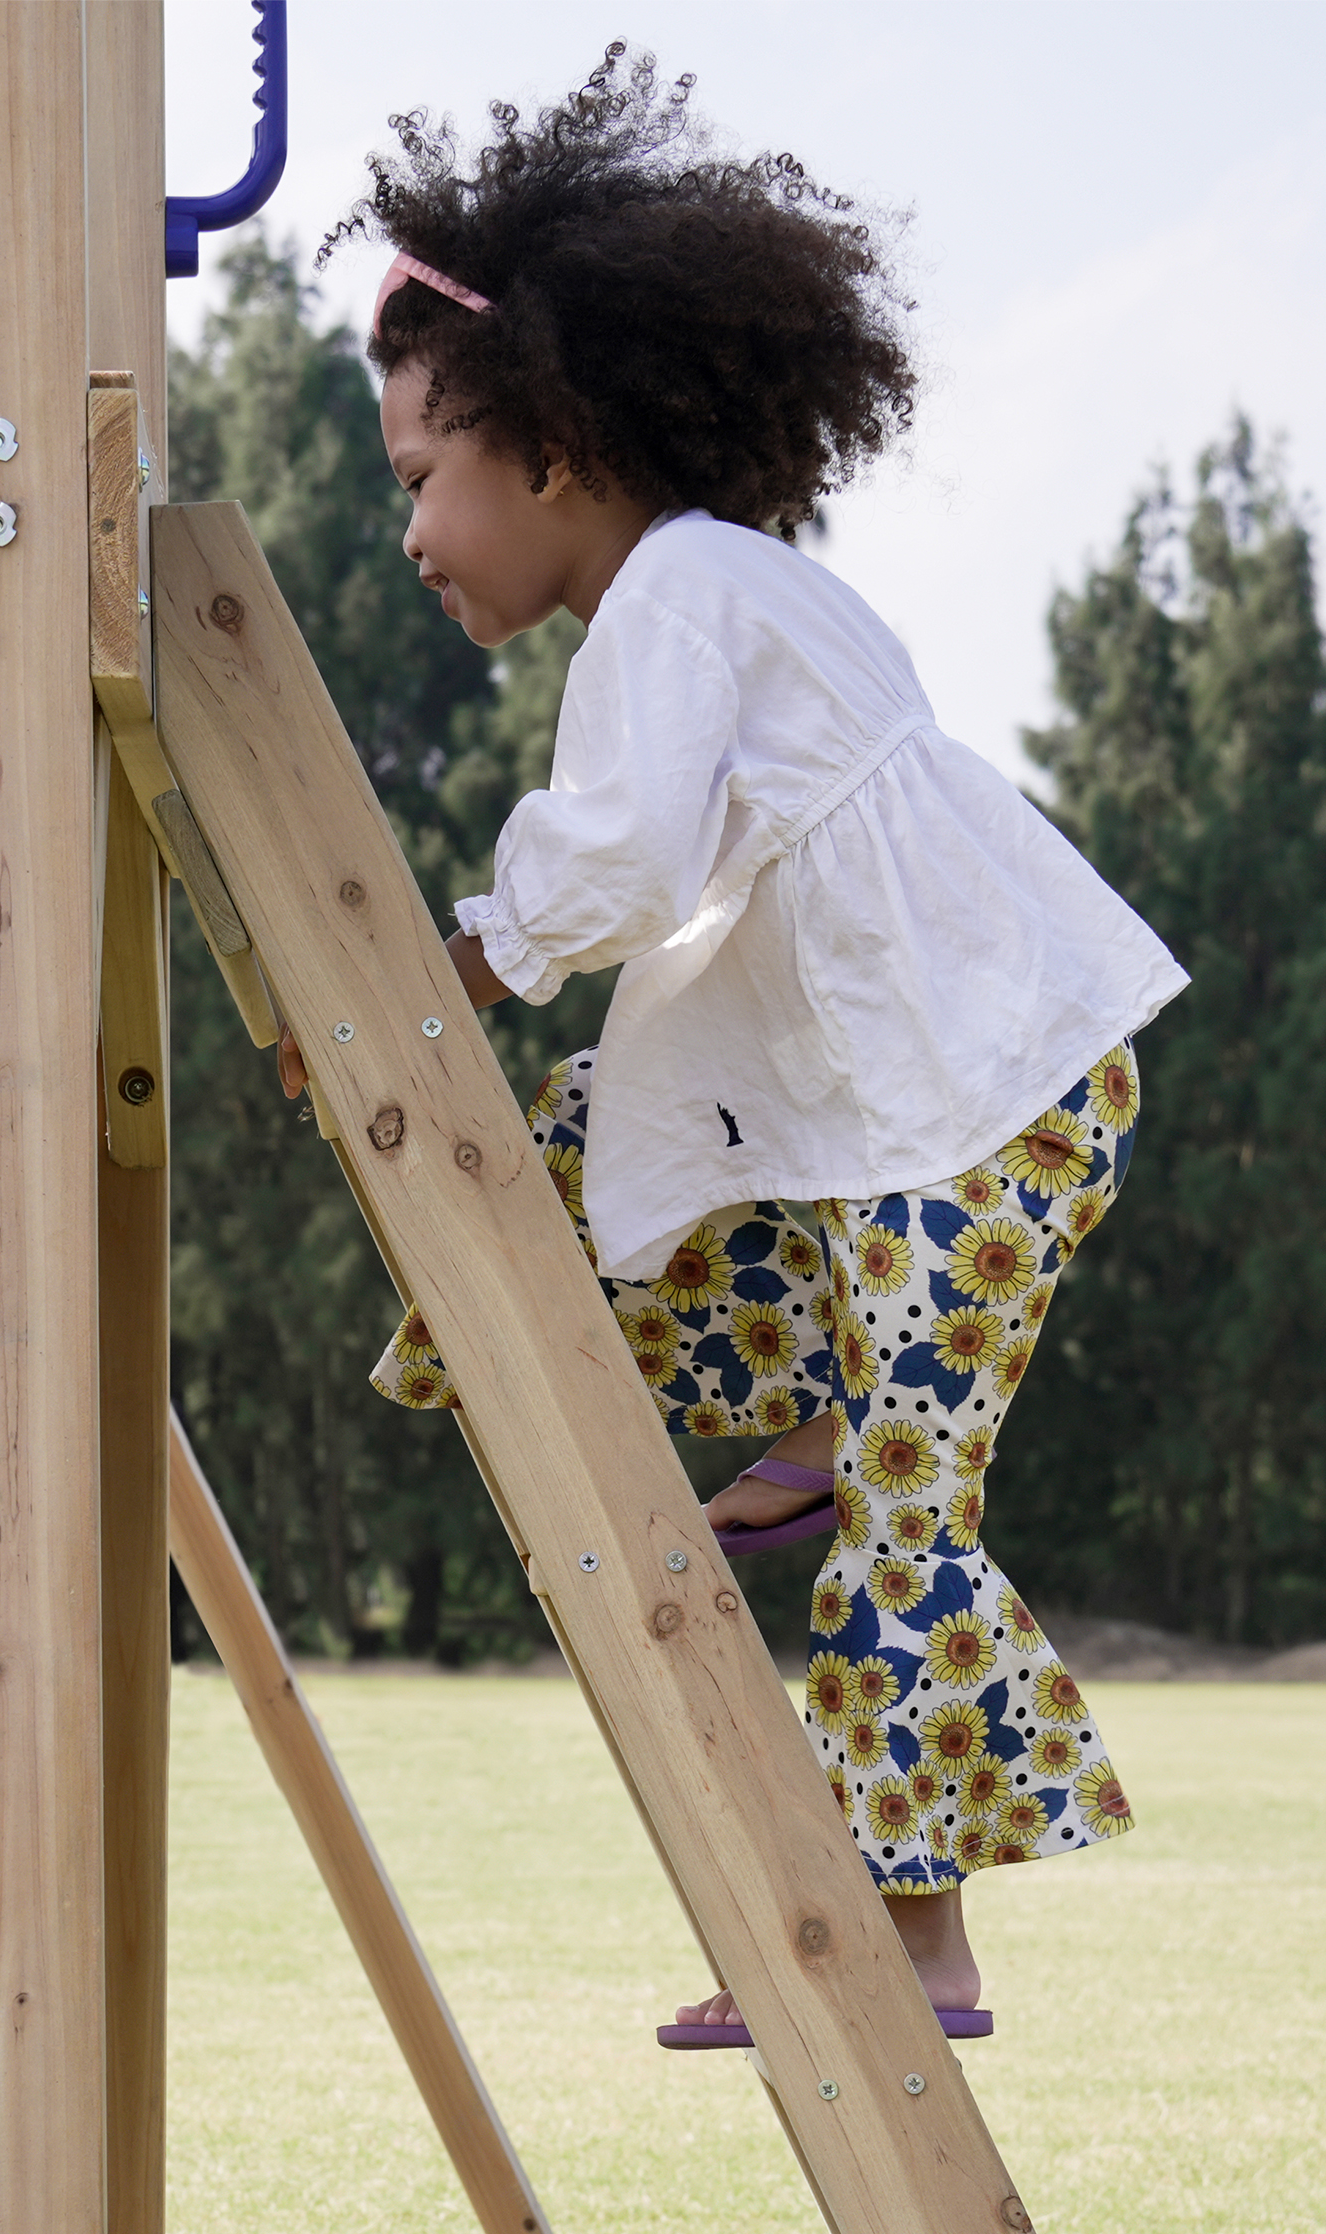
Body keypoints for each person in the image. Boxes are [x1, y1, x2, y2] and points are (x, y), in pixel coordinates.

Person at [316, 53, 1181, 2041]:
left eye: (418, 483)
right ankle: (793, 1431)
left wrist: (480, 947)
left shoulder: (684, 588)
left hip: (993, 1101)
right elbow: (680, 895)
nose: (414, 537)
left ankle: (914, 1940)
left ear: (550, 450)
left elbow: (618, 863)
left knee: (912, 1503)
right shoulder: (710, 600)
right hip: (900, 1107)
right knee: (629, 1147)